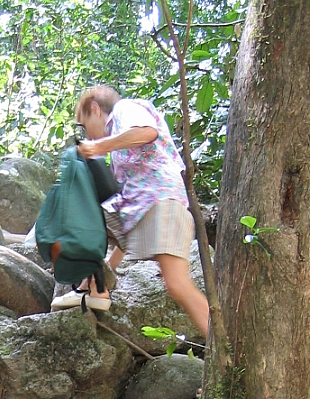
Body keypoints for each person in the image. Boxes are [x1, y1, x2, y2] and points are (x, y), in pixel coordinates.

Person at [51, 85, 209, 337]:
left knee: (178, 285)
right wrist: (107, 270)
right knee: (81, 210)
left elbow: (147, 132)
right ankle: (93, 288)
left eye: (84, 125)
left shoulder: (124, 109)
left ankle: (227, 352)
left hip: (161, 200)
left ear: (95, 109)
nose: (86, 135)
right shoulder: (119, 153)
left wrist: (100, 147)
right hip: (135, 209)